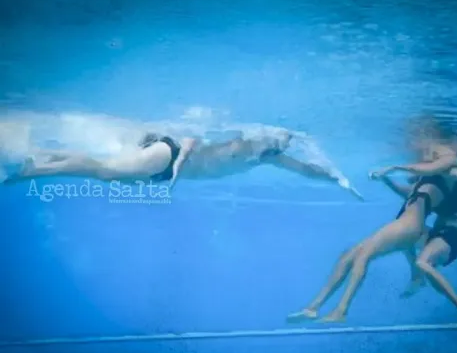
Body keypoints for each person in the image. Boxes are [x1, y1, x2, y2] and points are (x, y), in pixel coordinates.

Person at [287, 135, 457, 323]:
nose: (427, 154)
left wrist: (395, 167)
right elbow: (408, 191)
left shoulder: (447, 176)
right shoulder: (427, 180)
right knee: (348, 254)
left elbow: (433, 168)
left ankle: (341, 311)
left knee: (364, 255)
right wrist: (386, 180)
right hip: (402, 225)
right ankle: (313, 307)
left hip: (409, 227)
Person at [4, 131, 364, 200]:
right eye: (282, 139)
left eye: (288, 143)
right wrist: (177, 170)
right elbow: (192, 137)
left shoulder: (266, 157)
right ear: (270, 133)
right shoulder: (244, 136)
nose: (285, 145)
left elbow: (306, 170)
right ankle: (28, 171)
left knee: (105, 172)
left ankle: (41, 157)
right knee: (106, 170)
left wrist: (339, 180)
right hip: (169, 155)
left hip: (164, 175)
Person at [398, 147, 457, 314]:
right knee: (403, 236)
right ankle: (417, 277)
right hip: (436, 233)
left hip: (451, 237)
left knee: (423, 262)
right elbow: (410, 193)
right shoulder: (443, 183)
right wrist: (386, 180)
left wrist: (433, 170)